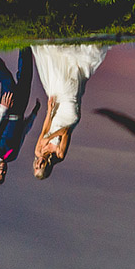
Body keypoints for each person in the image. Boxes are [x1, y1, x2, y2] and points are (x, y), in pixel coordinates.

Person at [30, 42, 110, 179]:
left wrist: (49, 110)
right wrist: (49, 138)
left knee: (55, 76)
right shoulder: (59, 155)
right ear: (46, 167)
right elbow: (65, 132)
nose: (39, 164)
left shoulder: (38, 151)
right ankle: (83, 47)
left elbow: (44, 129)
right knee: (65, 83)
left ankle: (61, 45)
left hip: (55, 115)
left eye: (37, 166)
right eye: (41, 167)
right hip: (69, 116)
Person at [0, 47, 41, 185]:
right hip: (20, 111)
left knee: (7, 79)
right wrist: (33, 115)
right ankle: (25, 45)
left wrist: (2, 108)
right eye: (3, 174)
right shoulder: (12, 156)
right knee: (26, 77)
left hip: (7, 108)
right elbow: (22, 133)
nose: (1, 171)